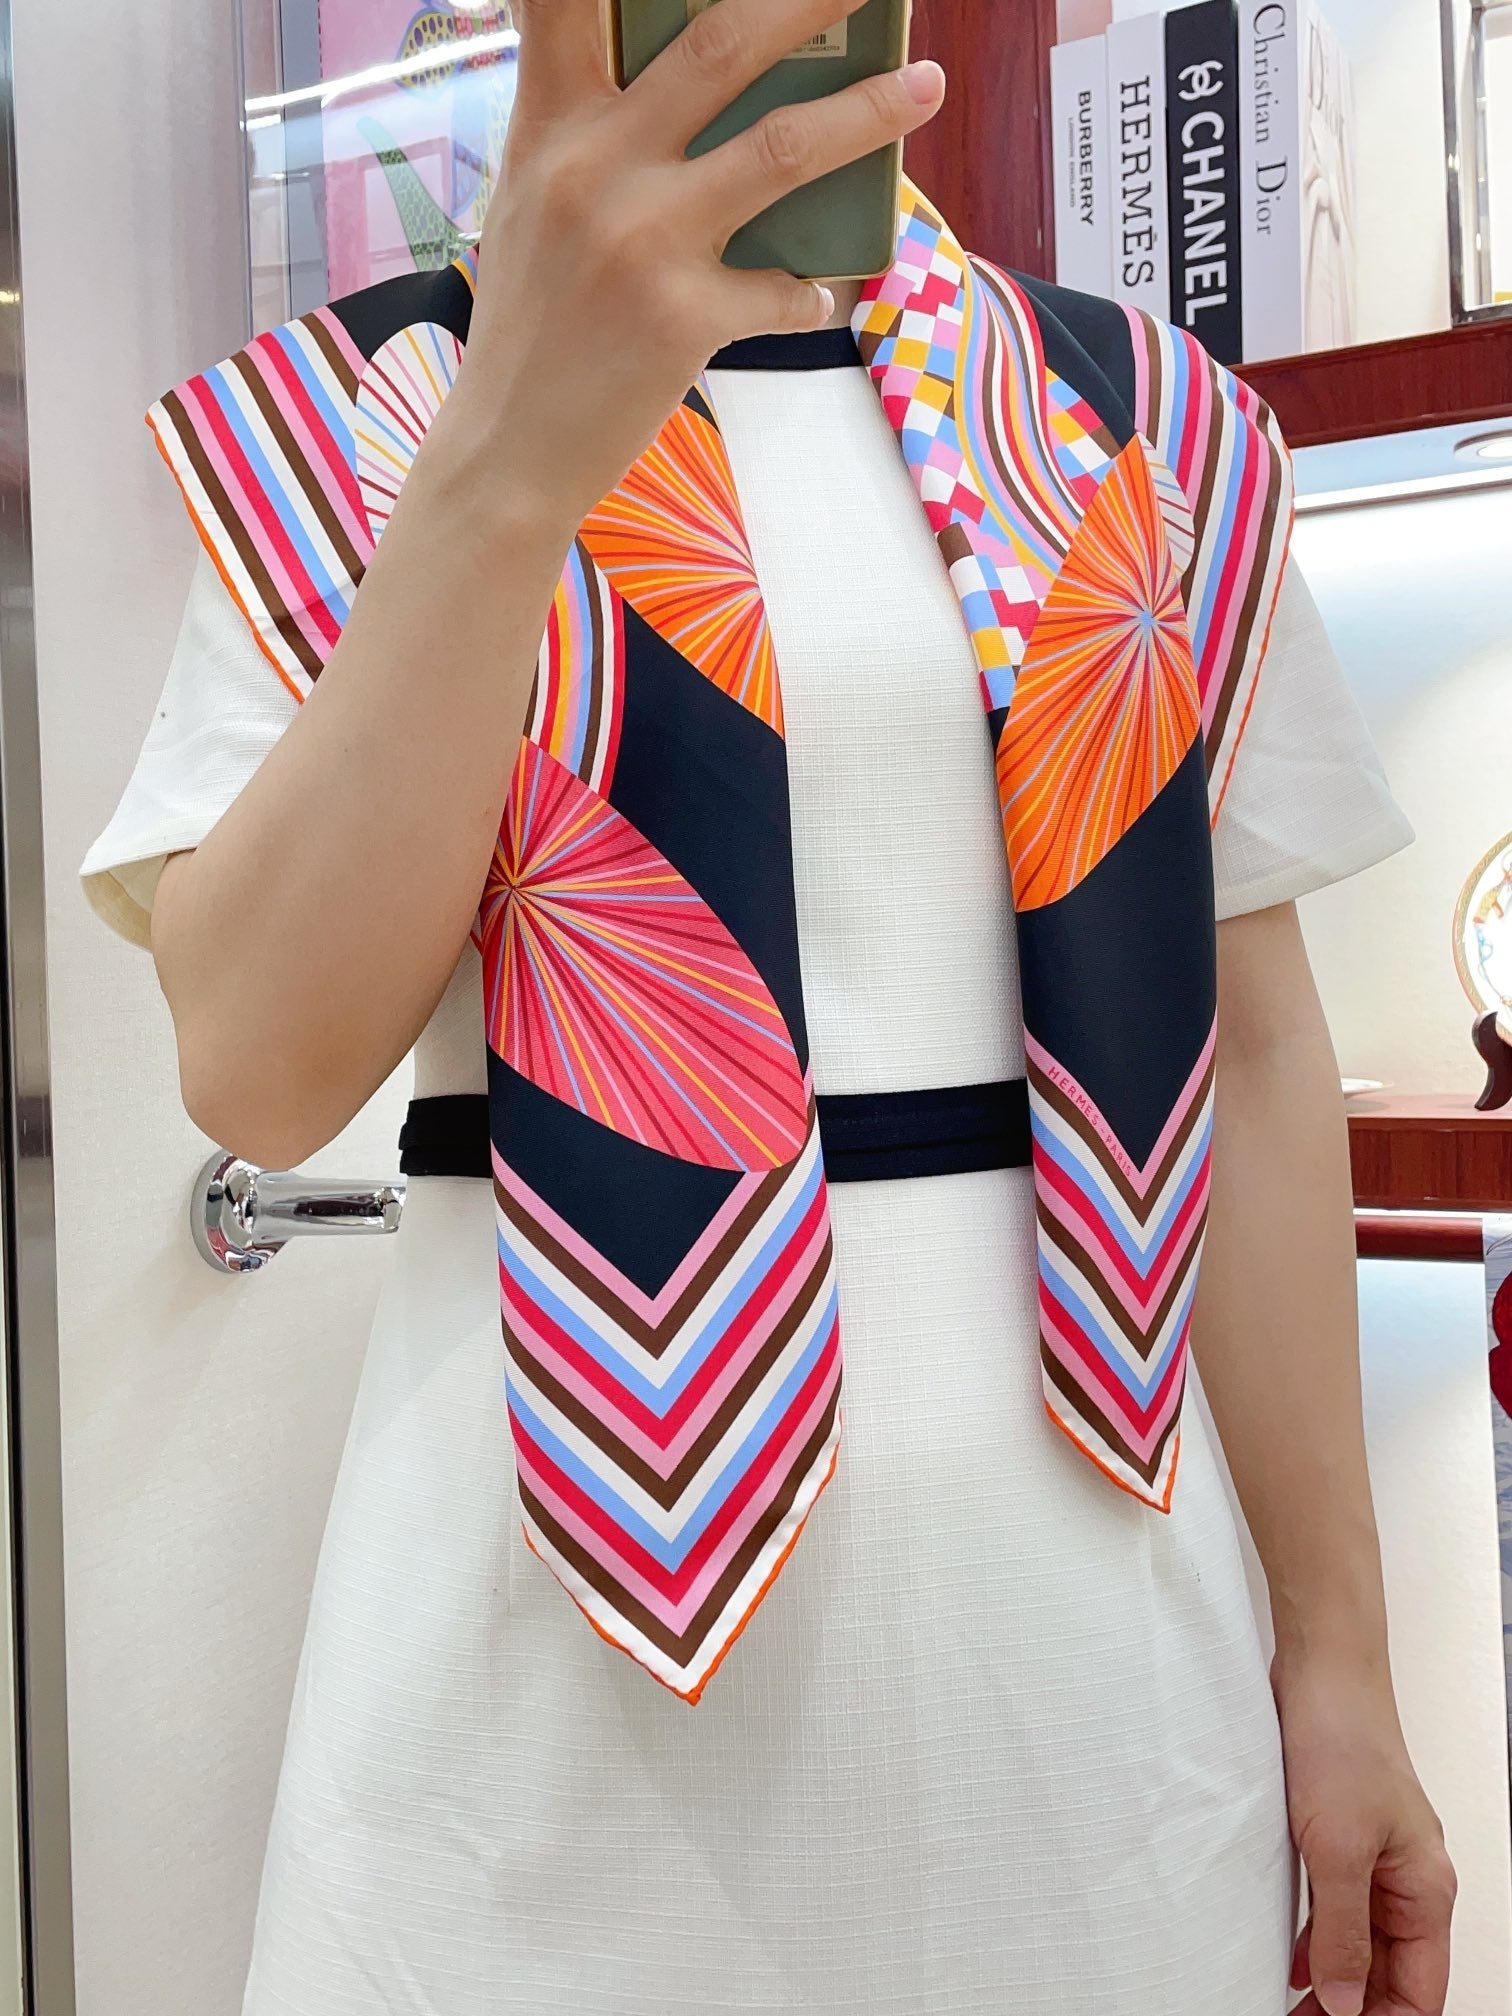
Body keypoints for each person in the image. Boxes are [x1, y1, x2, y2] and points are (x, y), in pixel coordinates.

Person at [79, 2, 1456, 2011]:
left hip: (1095, 1697)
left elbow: (1244, 1054)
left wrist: (1341, 1657)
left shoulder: (1147, 421)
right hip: (525, 1701)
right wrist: (511, 455)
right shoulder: (359, 419)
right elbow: (263, 1073)